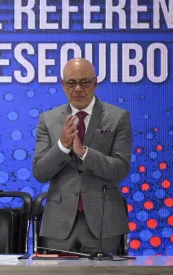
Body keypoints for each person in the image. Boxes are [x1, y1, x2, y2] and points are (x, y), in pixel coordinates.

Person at [32, 58, 132, 255]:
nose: (77, 88)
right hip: (59, 226)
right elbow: (40, 172)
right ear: (63, 85)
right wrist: (62, 146)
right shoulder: (48, 119)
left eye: (84, 82)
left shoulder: (118, 117)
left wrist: (84, 152)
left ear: (95, 83)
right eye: (71, 82)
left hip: (104, 224)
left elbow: (120, 169)